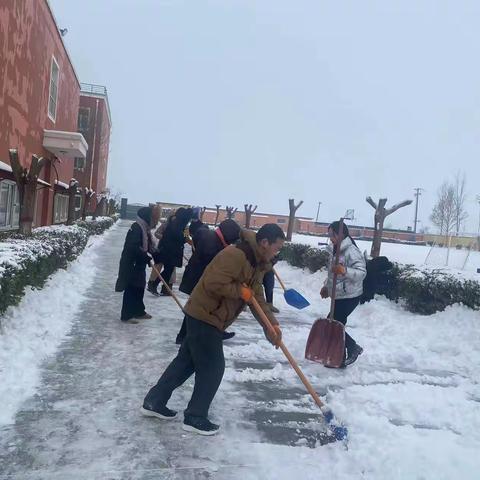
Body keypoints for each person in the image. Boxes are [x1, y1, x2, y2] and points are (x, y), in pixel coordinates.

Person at [141, 224, 285, 435]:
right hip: (205, 314)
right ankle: (195, 416)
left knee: (185, 363)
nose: (277, 252)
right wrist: (240, 292)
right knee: (213, 367)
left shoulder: (256, 261)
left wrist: (271, 325)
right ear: (264, 243)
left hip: (209, 315)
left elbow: (257, 297)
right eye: (277, 247)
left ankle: (154, 401)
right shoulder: (237, 255)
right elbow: (213, 282)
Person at [175, 219, 241, 344]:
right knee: (199, 309)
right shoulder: (213, 246)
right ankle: (186, 336)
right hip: (198, 280)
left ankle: (185, 336)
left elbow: (198, 234)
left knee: (196, 309)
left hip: (194, 277)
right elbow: (216, 269)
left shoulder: (209, 235)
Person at [320, 221, 366, 367]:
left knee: (333, 325)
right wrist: (326, 287)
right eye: (329, 235)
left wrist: (345, 270)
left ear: (341, 234)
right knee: (336, 325)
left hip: (350, 295)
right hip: (339, 294)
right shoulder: (335, 249)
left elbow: (361, 273)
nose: (330, 238)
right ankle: (339, 359)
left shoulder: (351, 251)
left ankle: (352, 348)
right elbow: (332, 273)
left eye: (332, 235)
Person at [115, 206, 155, 324]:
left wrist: (152, 255)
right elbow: (133, 247)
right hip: (131, 263)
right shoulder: (136, 228)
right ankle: (126, 315)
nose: (152, 219)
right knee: (131, 288)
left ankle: (138, 311)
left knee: (139, 287)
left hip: (139, 263)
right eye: (151, 216)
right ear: (146, 216)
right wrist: (145, 256)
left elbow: (147, 246)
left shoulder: (144, 229)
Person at [147, 207, 193, 296]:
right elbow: (179, 237)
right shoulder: (174, 224)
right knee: (167, 270)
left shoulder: (183, 225)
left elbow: (186, 237)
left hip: (172, 251)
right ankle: (154, 284)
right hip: (170, 251)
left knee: (169, 270)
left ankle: (161, 287)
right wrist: (184, 238)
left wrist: (189, 239)